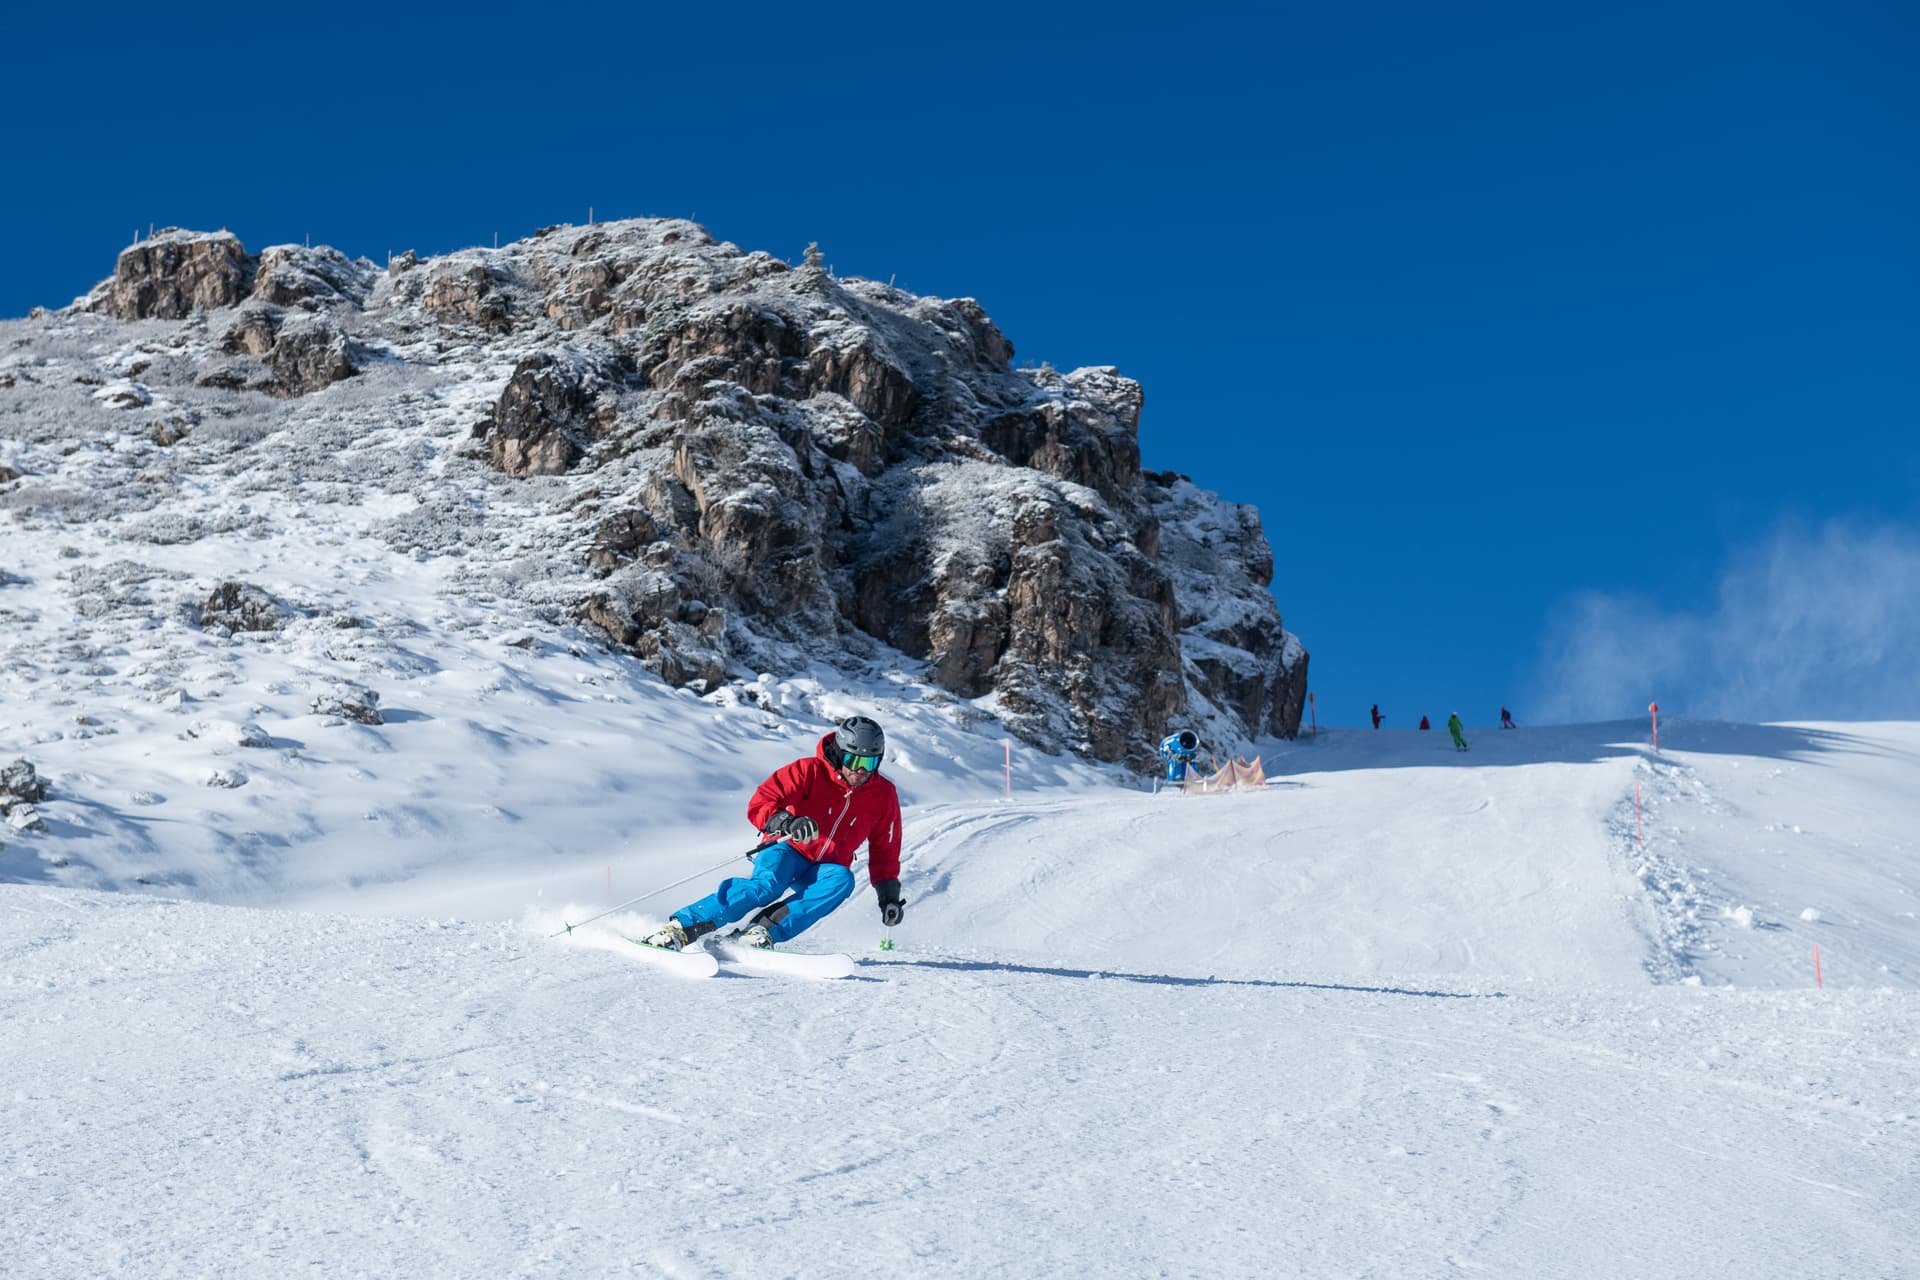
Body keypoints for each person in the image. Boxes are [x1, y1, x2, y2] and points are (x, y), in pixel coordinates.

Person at [644, 715, 904, 950]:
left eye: (869, 762)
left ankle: (760, 932)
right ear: (839, 753)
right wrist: (787, 822)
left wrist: (889, 897)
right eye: (853, 760)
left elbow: (885, 850)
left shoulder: (883, 795)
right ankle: (681, 928)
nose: (860, 771)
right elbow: (761, 801)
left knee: (842, 881)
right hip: (787, 848)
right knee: (766, 886)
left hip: (825, 866)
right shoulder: (808, 771)